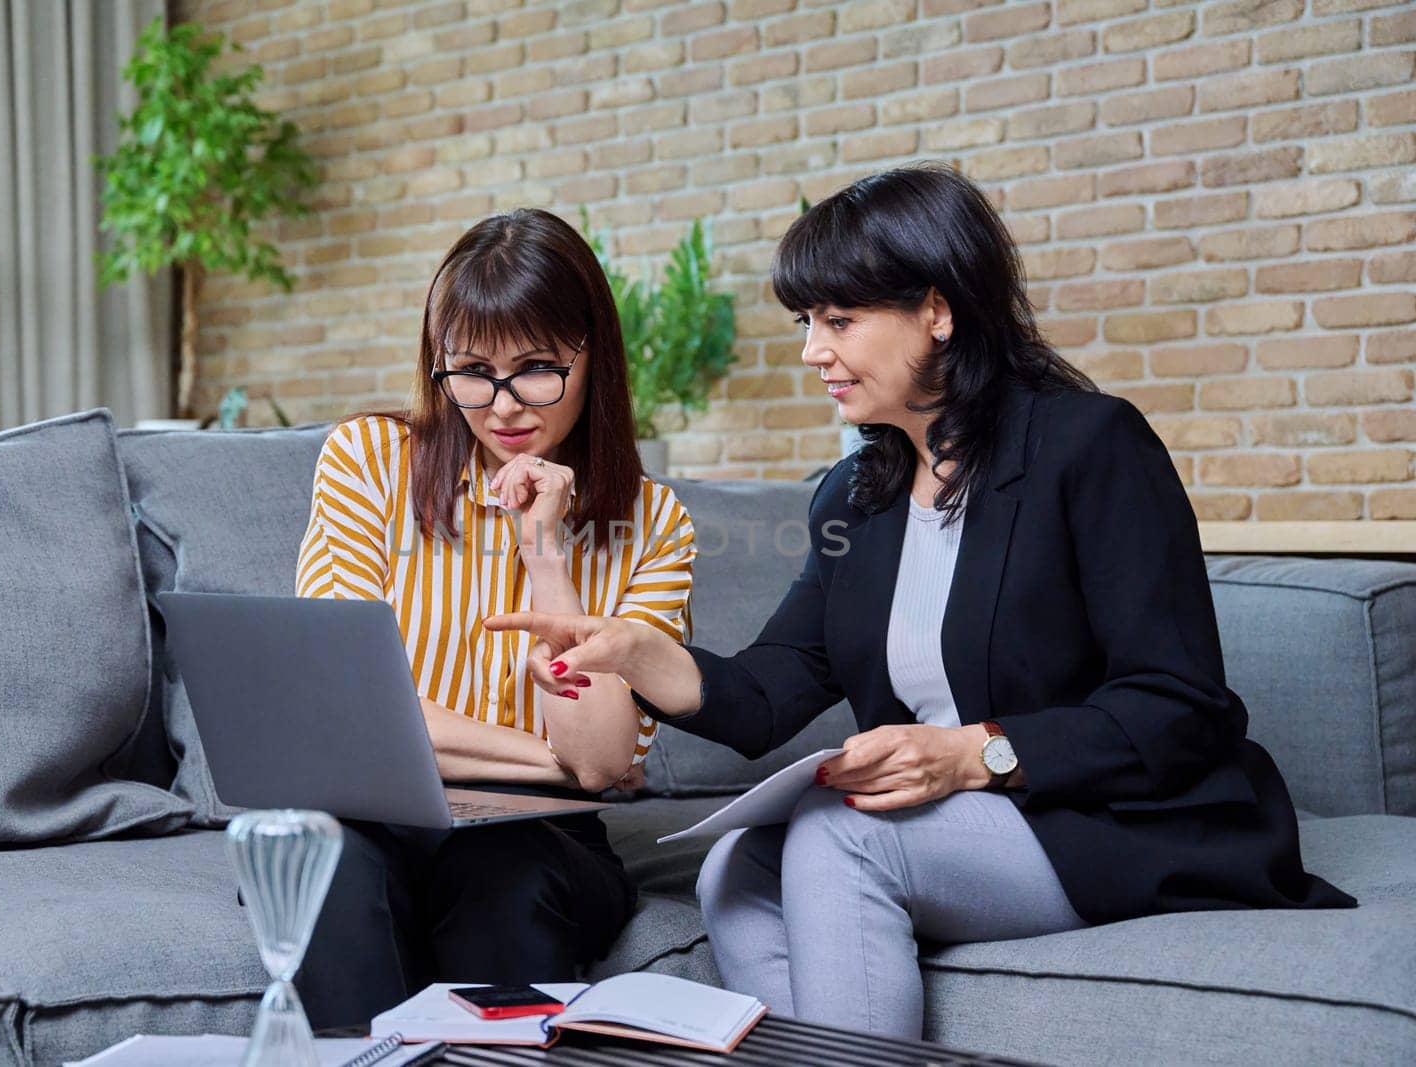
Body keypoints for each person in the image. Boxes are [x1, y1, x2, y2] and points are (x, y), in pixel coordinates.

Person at [485, 164, 1354, 1040]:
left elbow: (1180, 705)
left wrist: (977, 754)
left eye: (839, 320)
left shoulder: (1090, 447)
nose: (812, 351)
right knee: (734, 869)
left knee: (840, 837)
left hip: (1114, 818)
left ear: (937, 310)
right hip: (962, 824)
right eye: (807, 322)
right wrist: (634, 651)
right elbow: (771, 689)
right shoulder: (855, 496)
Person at [291, 208, 696, 1026]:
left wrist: (545, 554)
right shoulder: (369, 462)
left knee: (505, 875)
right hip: (375, 807)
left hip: (540, 839)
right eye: (472, 370)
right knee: (321, 861)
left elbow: (603, 754)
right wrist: (551, 759)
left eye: (538, 367)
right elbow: (347, 709)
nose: (503, 405)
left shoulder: (654, 523)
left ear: (593, 360)